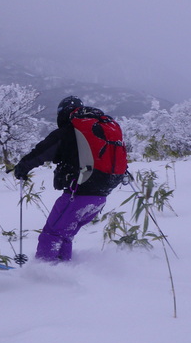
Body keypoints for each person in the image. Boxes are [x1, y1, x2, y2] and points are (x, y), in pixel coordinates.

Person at [13, 96, 124, 262]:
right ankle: (62, 267)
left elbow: (42, 151)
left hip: (78, 194)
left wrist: (22, 167)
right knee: (65, 234)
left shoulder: (67, 132)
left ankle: (43, 272)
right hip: (100, 197)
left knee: (52, 232)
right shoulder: (97, 130)